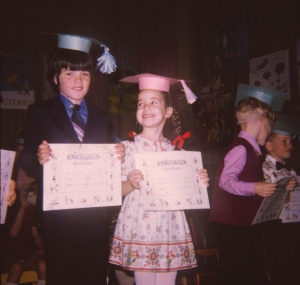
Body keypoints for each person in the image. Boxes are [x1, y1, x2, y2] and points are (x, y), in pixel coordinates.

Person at [18, 34, 125, 285]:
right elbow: (26, 161)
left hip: (95, 215)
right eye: (69, 73)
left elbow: (105, 162)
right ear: (56, 78)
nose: (78, 80)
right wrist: (38, 157)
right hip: (58, 216)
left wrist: (117, 155)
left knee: (94, 274)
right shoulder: (41, 112)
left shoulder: (101, 117)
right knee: (63, 276)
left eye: (85, 74)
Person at [109, 74, 209, 285]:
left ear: (168, 111)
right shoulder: (127, 149)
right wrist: (131, 184)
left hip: (170, 227)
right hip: (140, 227)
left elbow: (187, 195)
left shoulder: (177, 153)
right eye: (140, 103)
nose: (146, 108)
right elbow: (113, 191)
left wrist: (198, 183)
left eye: (154, 102)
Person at [209, 84, 287, 285]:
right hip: (233, 225)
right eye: (270, 128)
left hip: (241, 223)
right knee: (236, 272)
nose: (269, 133)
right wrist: (255, 187)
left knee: (247, 270)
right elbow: (226, 181)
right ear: (263, 122)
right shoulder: (241, 149)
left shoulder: (249, 149)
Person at [262, 112, 299, 285]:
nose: (289, 145)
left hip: (293, 226)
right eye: (283, 141)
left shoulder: (290, 170)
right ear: (269, 145)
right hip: (276, 228)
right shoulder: (263, 169)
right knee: (280, 268)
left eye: (290, 141)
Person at [1, 182, 46, 285]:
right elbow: (13, 233)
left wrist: (42, 247)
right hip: (9, 253)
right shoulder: (8, 207)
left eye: (25, 190)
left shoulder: (31, 208)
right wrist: (22, 208)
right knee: (17, 268)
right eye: (20, 191)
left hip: (27, 252)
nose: (23, 193)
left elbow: (35, 233)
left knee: (43, 265)